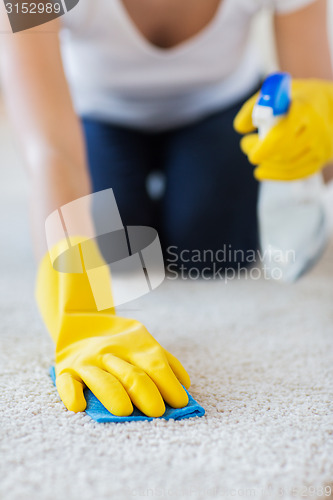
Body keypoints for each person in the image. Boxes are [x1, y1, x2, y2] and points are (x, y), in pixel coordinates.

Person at [1, 0, 332, 417]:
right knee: (118, 258)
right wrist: (80, 311)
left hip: (220, 109)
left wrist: (319, 133)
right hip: (100, 116)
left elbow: (320, 157)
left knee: (212, 248)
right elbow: (53, 153)